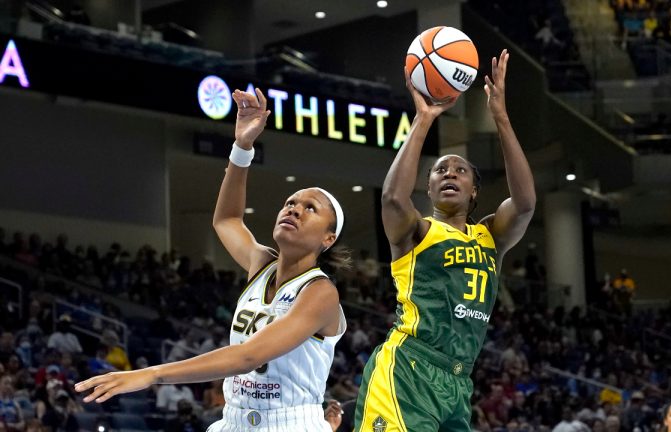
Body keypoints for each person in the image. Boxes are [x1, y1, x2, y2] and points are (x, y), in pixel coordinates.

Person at [75, 88, 348, 432]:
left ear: (329, 238)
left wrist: (153, 373)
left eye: (311, 208)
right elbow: (227, 220)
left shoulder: (320, 293)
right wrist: (242, 148)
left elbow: (248, 356)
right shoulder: (260, 263)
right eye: (291, 202)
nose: (294, 208)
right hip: (233, 420)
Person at [355, 49, 536, 431]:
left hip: (457, 382)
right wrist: (423, 120)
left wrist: (500, 116)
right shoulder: (416, 230)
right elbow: (391, 198)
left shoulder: (490, 236)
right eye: (440, 170)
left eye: (460, 170)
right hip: (407, 371)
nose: (449, 173)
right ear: (430, 187)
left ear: (473, 192)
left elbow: (524, 203)